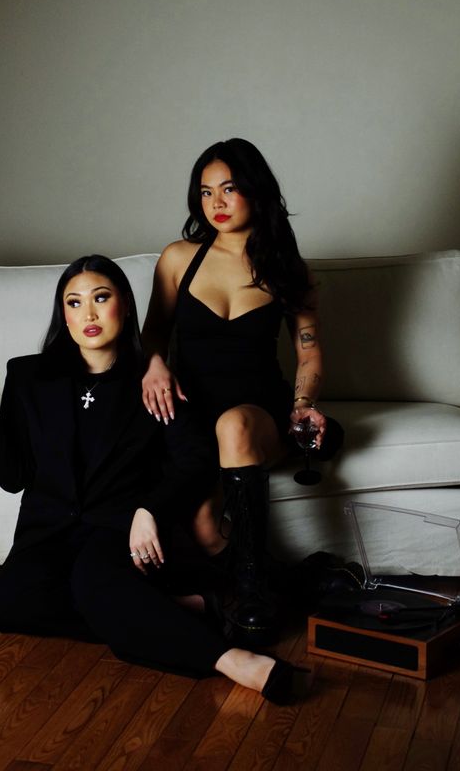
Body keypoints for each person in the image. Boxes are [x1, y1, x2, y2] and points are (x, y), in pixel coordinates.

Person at [0, 254, 307, 703]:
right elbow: (14, 477)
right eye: (73, 303)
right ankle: (175, 609)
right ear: (63, 315)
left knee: (94, 582)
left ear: (125, 305)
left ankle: (230, 659)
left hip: (120, 529)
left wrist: (150, 510)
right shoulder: (29, 376)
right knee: (12, 604)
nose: (87, 314)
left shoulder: (155, 380)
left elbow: (196, 459)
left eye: (100, 298)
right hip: (49, 530)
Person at [141, 138, 342, 640]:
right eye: (206, 192)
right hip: (192, 416)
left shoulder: (288, 269)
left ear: (255, 190)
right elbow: (153, 334)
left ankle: (253, 594)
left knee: (234, 425)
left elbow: (309, 352)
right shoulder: (178, 258)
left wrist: (303, 406)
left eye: (229, 189)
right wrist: (155, 366)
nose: (217, 203)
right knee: (206, 530)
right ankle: (294, 580)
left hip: (257, 414)